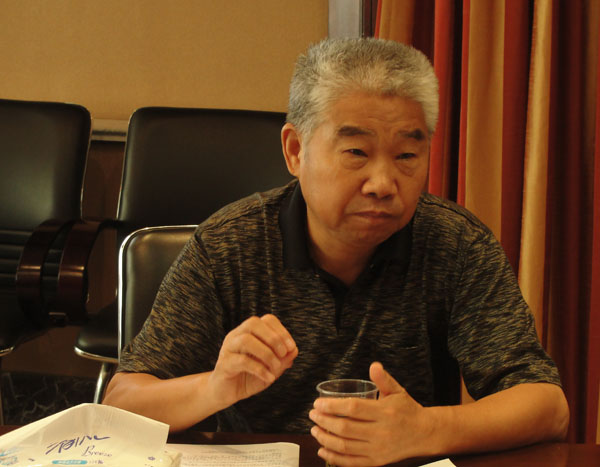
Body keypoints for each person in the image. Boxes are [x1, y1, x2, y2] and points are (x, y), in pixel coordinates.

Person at [103, 37, 569, 466]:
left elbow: (547, 406)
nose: (383, 184)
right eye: (356, 153)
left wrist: (427, 429)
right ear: (295, 150)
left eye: (407, 156)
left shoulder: (456, 245)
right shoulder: (228, 246)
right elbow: (120, 404)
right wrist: (214, 387)